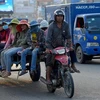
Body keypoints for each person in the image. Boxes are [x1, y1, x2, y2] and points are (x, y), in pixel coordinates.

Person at [45, 9, 80, 84]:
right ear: (55, 17)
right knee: (50, 62)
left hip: (62, 46)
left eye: (61, 16)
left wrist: (70, 45)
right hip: (53, 47)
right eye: (58, 16)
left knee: (71, 50)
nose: (59, 18)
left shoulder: (66, 25)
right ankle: (48, 78)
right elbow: (48, 39)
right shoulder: (51, 26)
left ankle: (73, 65)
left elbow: (68, 37)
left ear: (63, 17)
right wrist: (49, 48)